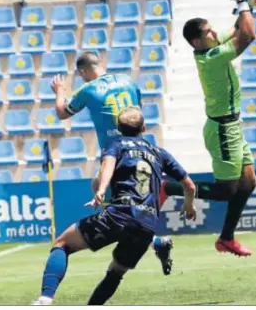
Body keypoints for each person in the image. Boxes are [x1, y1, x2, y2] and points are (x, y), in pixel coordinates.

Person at [32, 108, 197, 305]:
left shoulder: (116, 144)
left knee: (62, 244)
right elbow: (189, 185)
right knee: (116, 272)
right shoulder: (160, 154)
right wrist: (189, 207)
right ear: (143, 128)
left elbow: (107, 167)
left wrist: (101, 190)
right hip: (147, 224)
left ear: (119, 129)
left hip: (120, 213)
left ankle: (45, 299)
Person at [50, 51, 173, 274]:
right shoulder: (128, 81)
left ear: (83, 72)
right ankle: (155, 242)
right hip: (141, 152)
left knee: (107, 197)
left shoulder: (88, 89)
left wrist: (59, 92)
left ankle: (154, 241)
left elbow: (61, 113)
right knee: (102, 190)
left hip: (116, 155)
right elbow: (138, 112)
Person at [176, 0, 256, 256]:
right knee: (228, 191)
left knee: (249, 183)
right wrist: (243, 5)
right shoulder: (211, 56)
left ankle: (227, 238)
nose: (214, 32)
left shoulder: (211, 45)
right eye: (208, 31)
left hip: (232, 126)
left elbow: (238, 28)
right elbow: (248, 36)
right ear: (197, 41)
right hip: (222, 130)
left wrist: (248, 5)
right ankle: (169, 188)